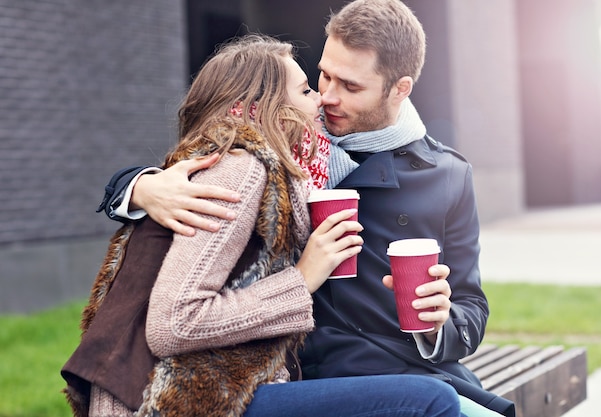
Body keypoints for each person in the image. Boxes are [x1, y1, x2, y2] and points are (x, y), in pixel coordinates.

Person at [96, 1, 516, 416]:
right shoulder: (288, 143)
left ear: (399, 89)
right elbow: (213, 150)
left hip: (411, 370)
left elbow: (471, 308)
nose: (326, 98)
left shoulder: (445, 174)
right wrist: (140, 186)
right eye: (323, 76)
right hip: (309, 375)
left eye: (350, 87)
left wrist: (438, 321)